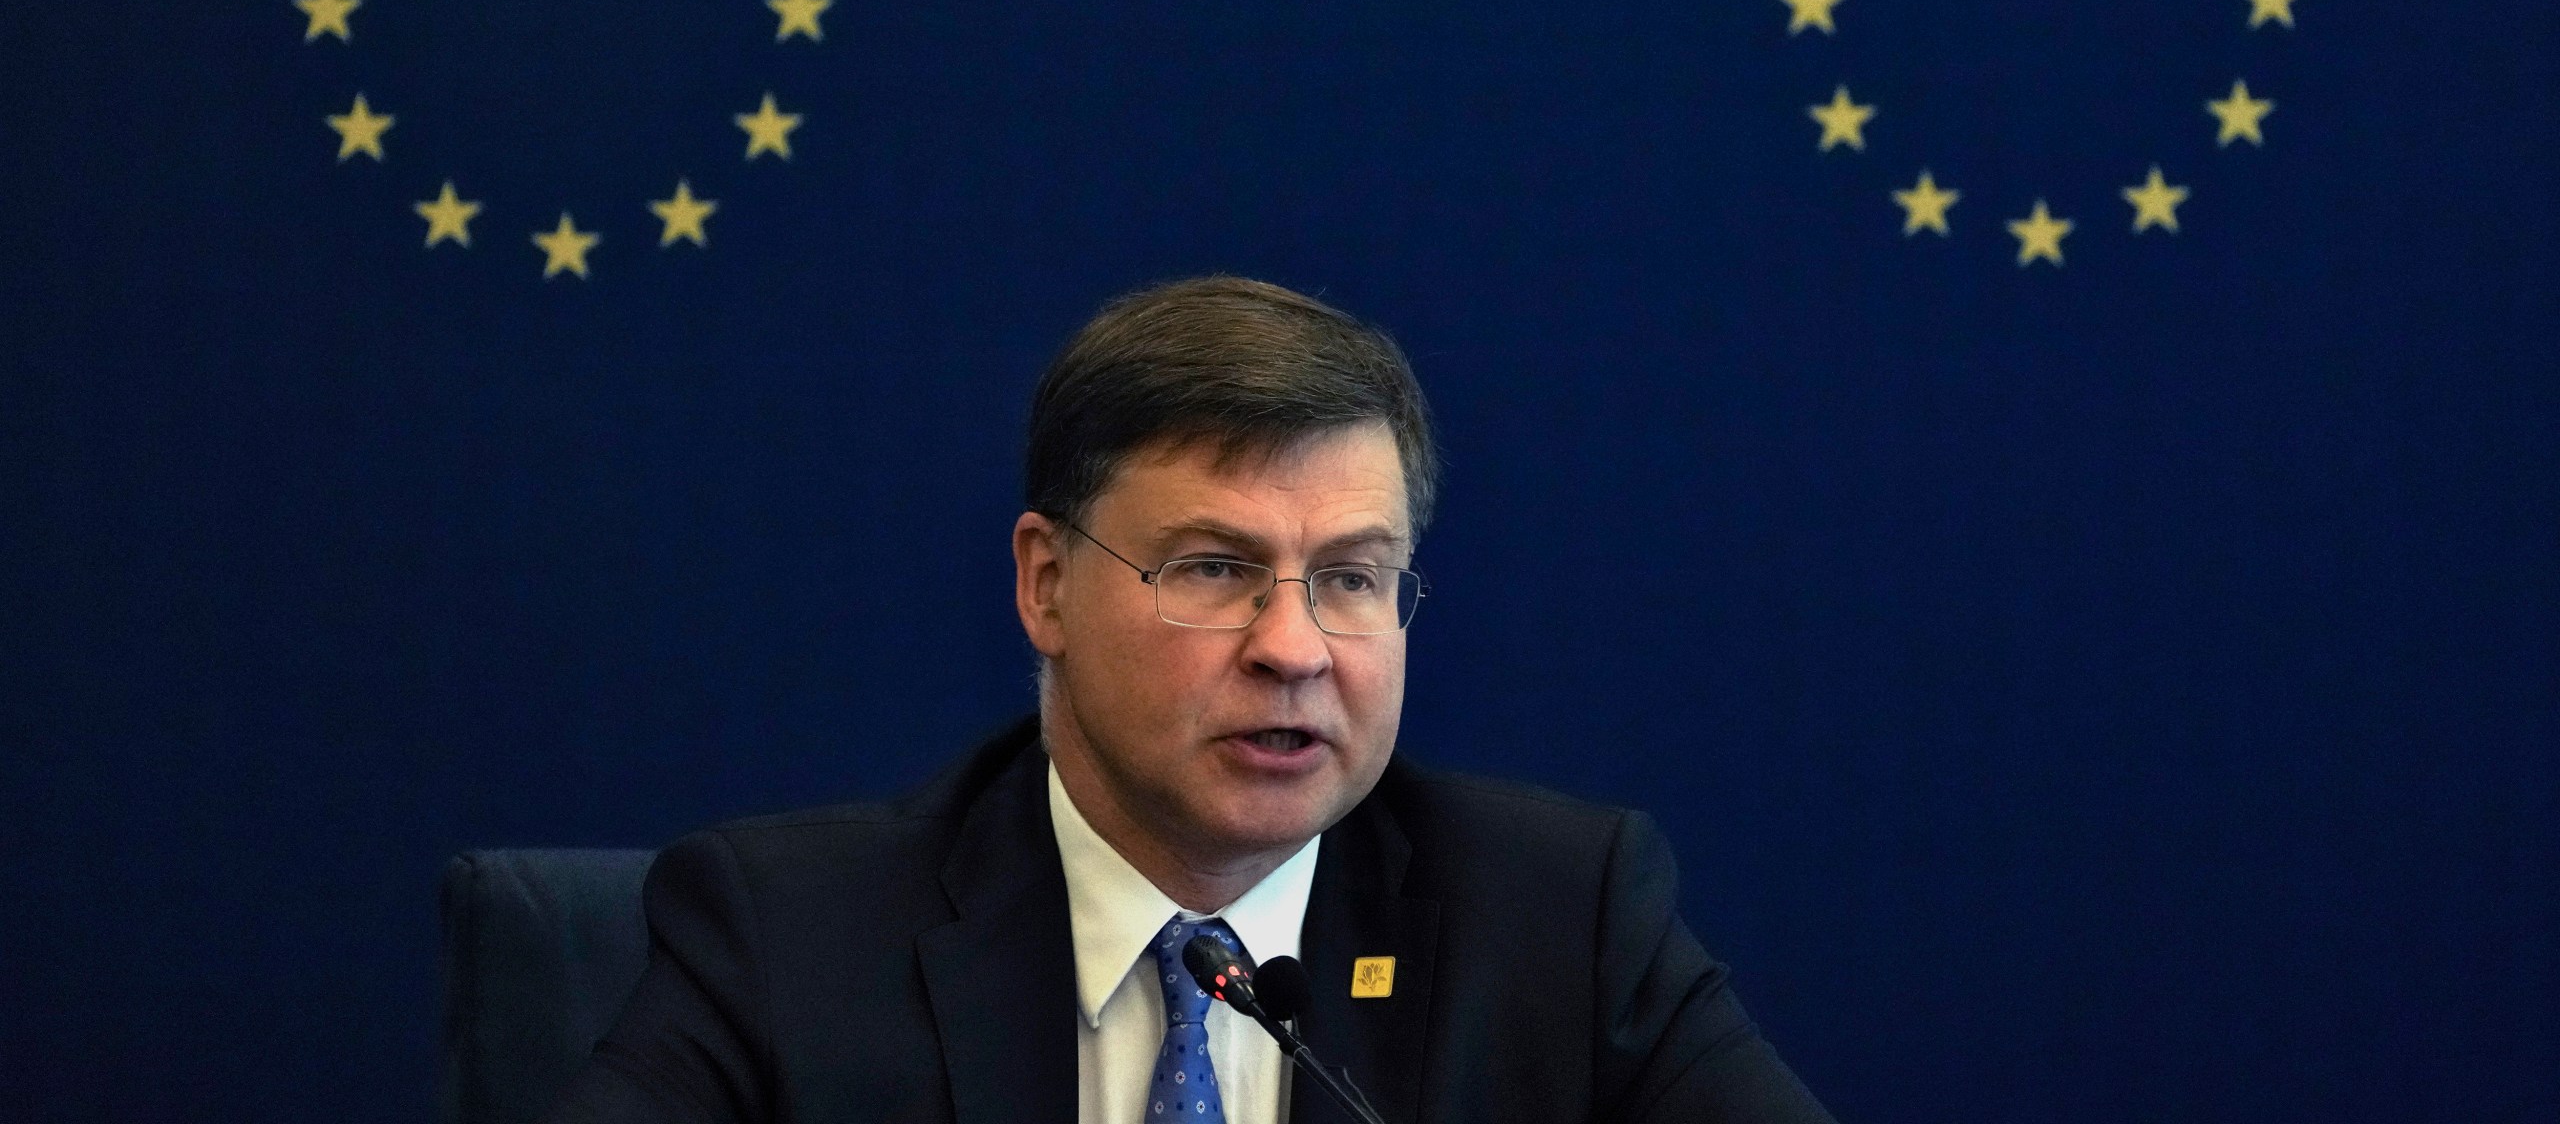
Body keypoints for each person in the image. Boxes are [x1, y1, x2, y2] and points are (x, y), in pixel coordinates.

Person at [546, 276, 1834, 1124]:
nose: (1295, 646)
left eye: (1352, 578)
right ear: (1047, 584)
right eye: (1216, 570)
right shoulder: (787, 941)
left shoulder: (1562, 917)